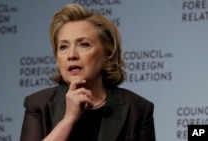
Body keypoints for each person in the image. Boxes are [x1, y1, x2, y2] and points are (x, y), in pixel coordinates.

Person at [20, 3, 156, 141]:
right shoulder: (38, 105)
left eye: (83, 44)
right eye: (63, 47)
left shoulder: (137, 109)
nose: (71, 55)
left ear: (107, 53)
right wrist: (68, 120)